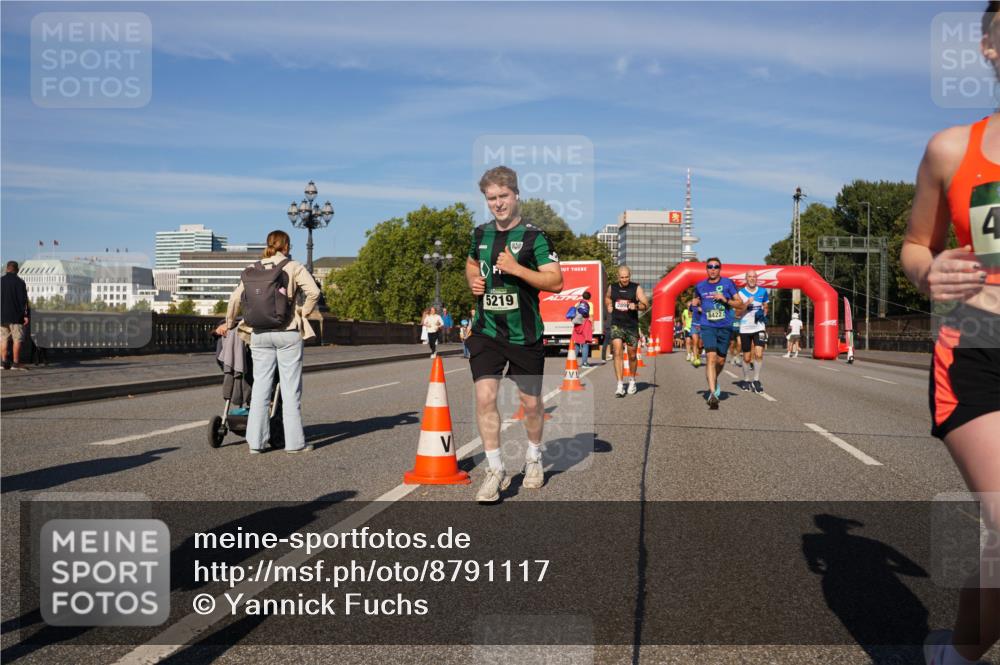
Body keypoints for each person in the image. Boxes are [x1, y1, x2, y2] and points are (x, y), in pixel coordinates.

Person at [902, 6, 1000, 662]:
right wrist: (929, 269)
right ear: (990, 47)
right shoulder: (951, 150)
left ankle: (958, 653)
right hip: (977, 344)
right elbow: (913, 245)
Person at [465, 166, 562, 503]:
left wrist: (518, 269)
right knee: (485, 398)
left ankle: (533, 458)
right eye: (491, 198)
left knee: (531, 404)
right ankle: (495, 470)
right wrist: (473, 282)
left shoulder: (536, 237)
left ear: (516, 195)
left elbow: (555, 280)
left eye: (503, 196)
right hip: (486, 330)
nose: (498, 204)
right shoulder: (480, 235)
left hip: (525, 333)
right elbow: (471, 264)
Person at [214, 230, 320, 454]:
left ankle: (255, 443)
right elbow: (314, 292)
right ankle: (294, 444)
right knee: (290, 390)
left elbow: (235, 299)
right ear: (287, 246)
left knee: (261, 388)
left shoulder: (254, 269)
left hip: (259, 334)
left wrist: (230, 323)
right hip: (287, 332)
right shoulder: (293, 267)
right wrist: (303, 312)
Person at [692, 258, 741, 409]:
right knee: (711, 358)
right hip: (708, 326)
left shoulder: (727, 283)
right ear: (706, 269)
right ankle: (712, 393)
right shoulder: (700, 286)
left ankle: (714, 379)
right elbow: (695, 302)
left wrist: (725, 299)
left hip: (725, 326)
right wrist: (694, 305)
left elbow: (739, 303)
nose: (713, 269)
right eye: (710, 267)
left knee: (720, 361)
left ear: (720, 269)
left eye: (716, 267)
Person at [605, 265, 649, 397]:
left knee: (632, 356)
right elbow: (607, 297)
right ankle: (619, 384)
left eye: (627, 277)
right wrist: (609, 305)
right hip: (617, 324)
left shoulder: (636, 288)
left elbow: (646, 304)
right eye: (622, 277)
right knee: (617, 351)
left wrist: (635, 306)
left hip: (631, 326)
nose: (625, 280)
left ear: (630, 276)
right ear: (618, 276)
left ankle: (632, 380)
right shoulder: (612, 287)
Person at [737, 269, 769, 393]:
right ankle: (745, 379)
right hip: (745, 328)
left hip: (759, 327)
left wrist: (765, 311)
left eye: (754, 277)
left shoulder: (762, 291)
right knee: (746, 357)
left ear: (756, 278)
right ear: (746, 278)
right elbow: (737, 313)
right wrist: (746, 304)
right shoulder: (740, 293)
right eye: (749, 276)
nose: (752, 279)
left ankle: (756, 380)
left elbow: (766, 305)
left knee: (759, 353)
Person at [1, 261, 30, 371]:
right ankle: (16, 363)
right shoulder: (20, 282)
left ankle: (3, 362)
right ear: (16, 270)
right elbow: (24, 301)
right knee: (17, 339)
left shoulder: (0, 281)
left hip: (2, 316)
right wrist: (26, 315)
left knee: (3, 339)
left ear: (7, 269)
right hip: (16, 316)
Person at [571, 290, 594, 368]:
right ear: (589, 297)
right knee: (585, 343)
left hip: (577, 324)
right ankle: (584, 363)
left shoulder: (577, 303)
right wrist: (592, 326)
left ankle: (572, 362)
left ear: (582, 296)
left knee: (577, 343)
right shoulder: (589, 304)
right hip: (585, 324)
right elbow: (591, 316)